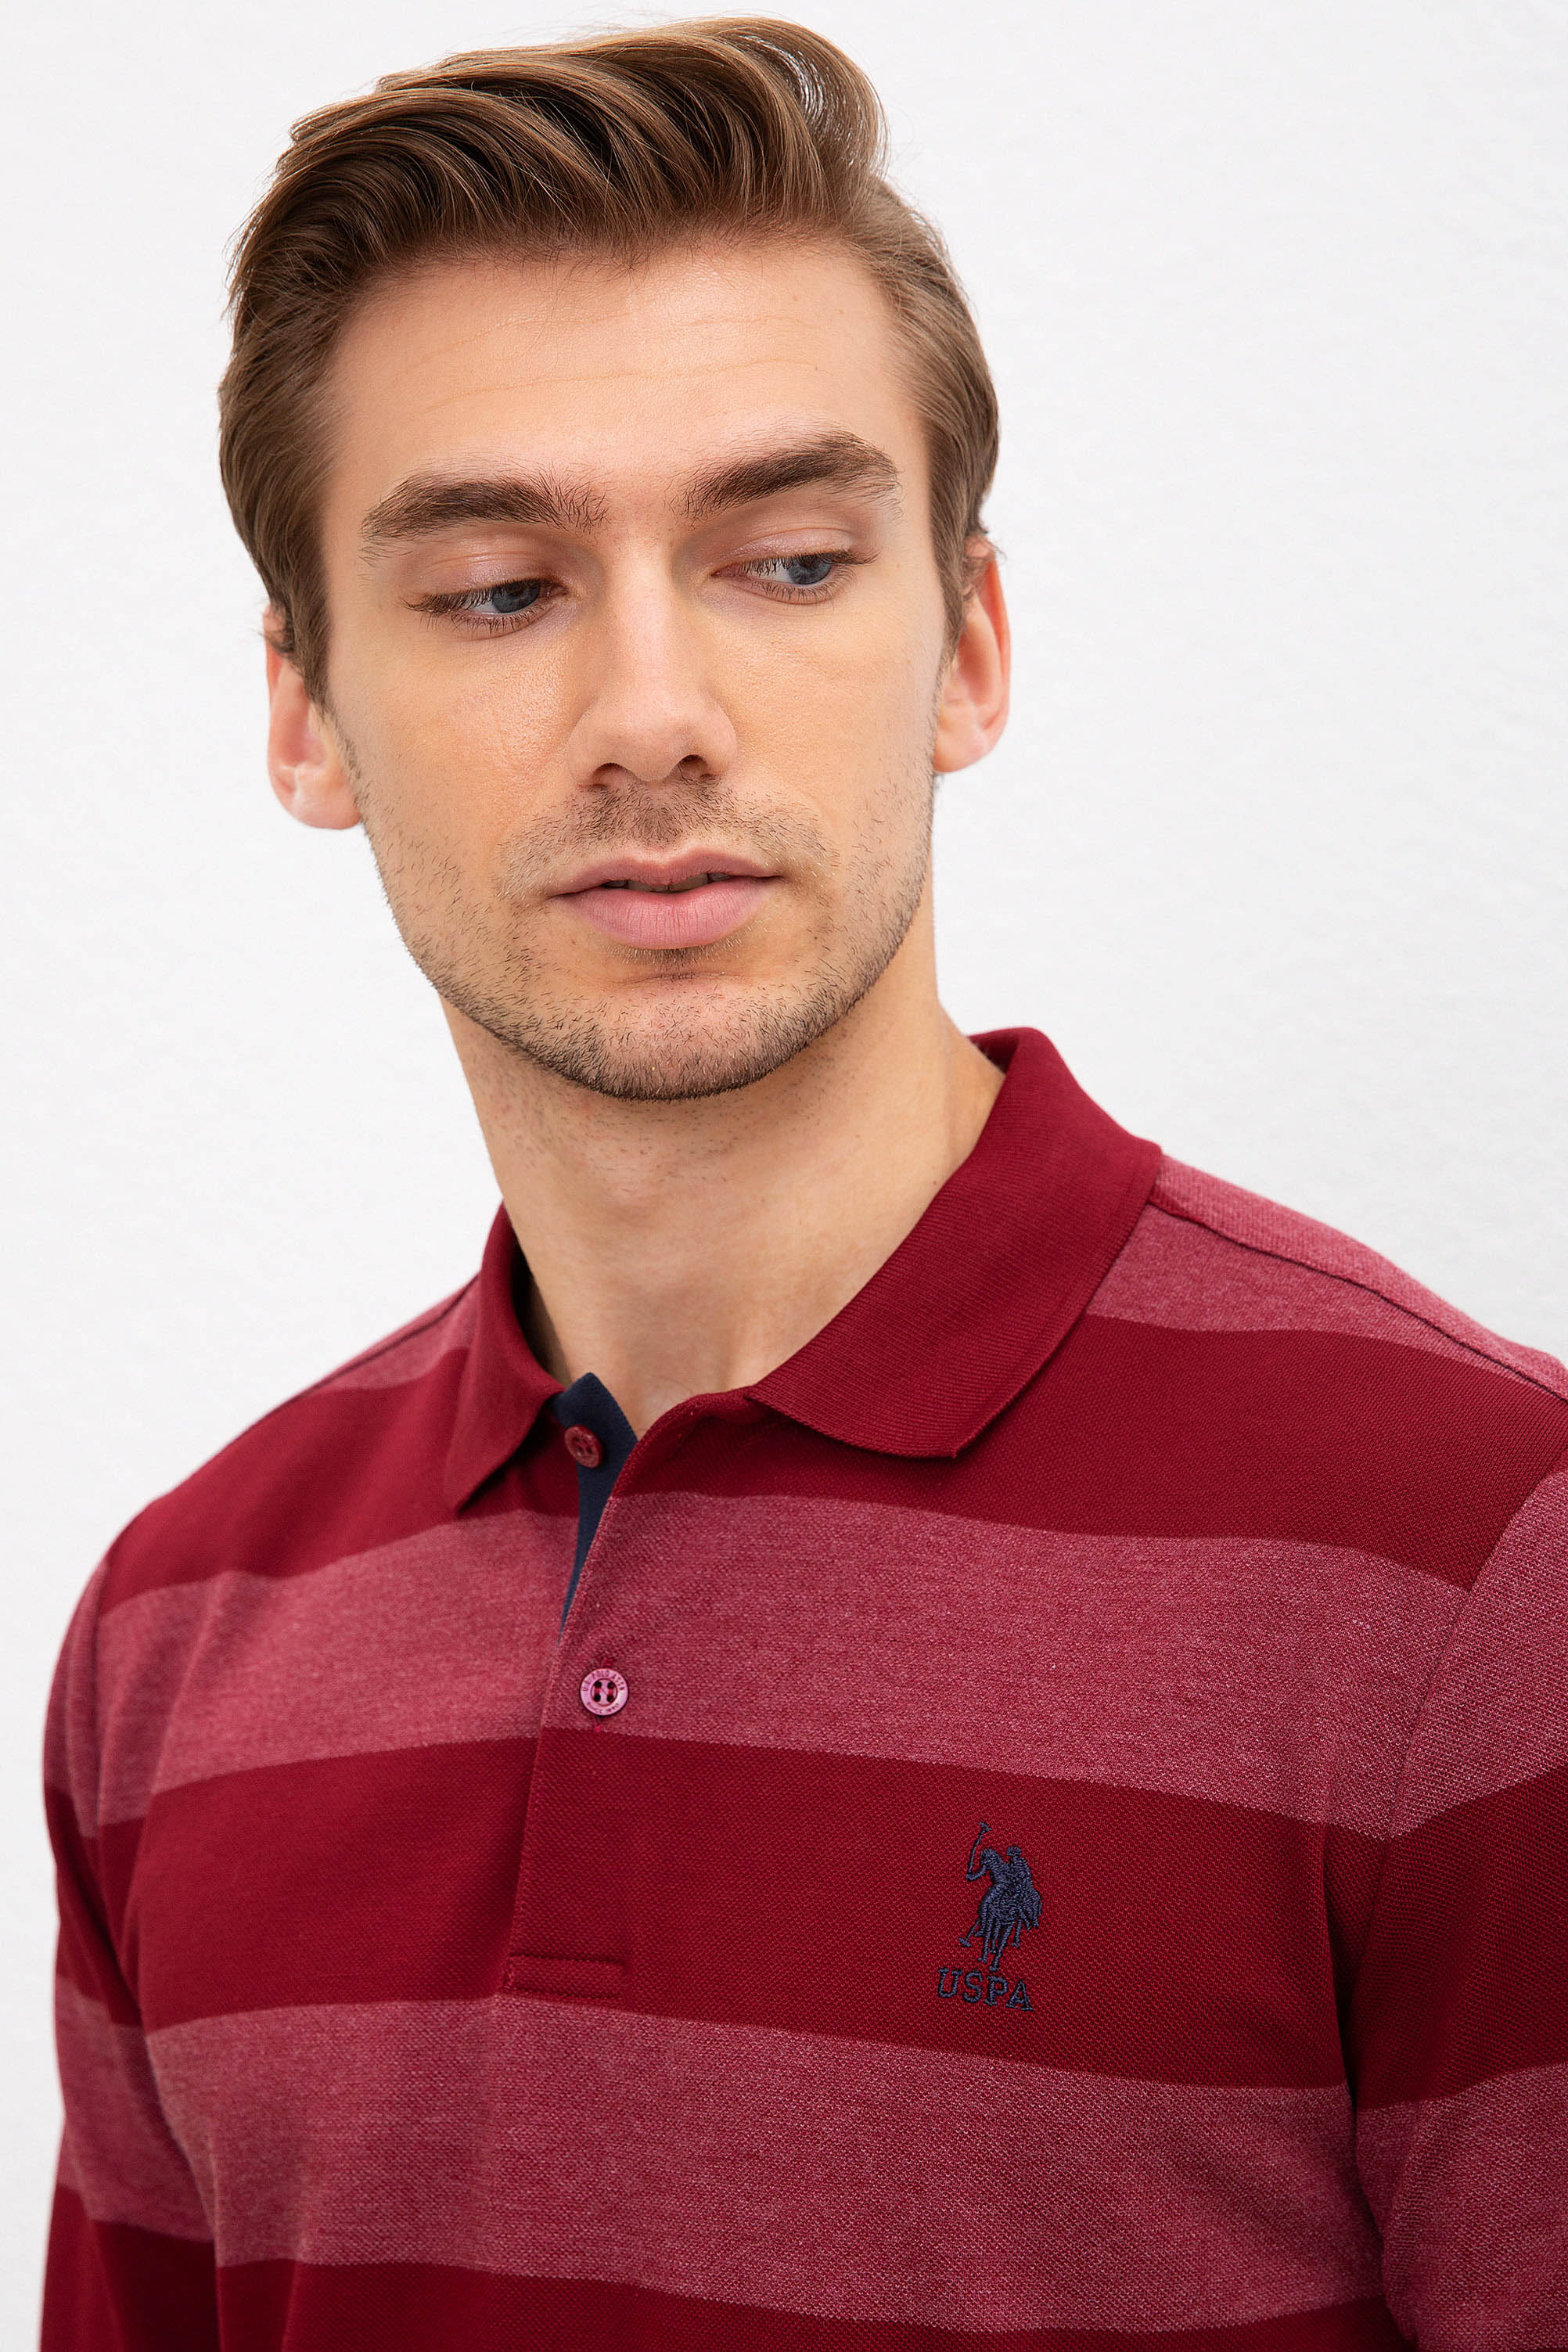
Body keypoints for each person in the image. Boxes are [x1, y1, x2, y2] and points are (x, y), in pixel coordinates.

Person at [41, 19, 1568, 2350]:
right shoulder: (178, 1637)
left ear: (965, 645)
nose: (654, 713)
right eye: (498, 590)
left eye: (782, 560)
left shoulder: (1477, 1566)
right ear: (305, 713)